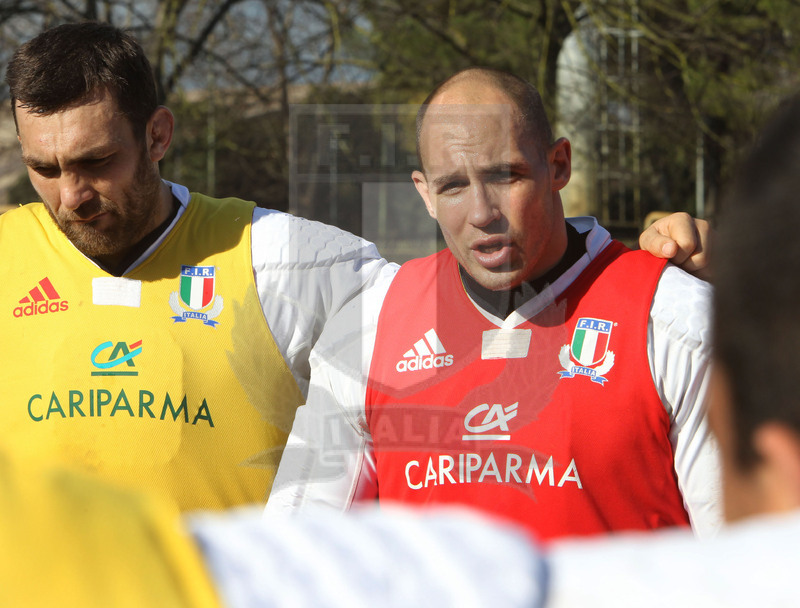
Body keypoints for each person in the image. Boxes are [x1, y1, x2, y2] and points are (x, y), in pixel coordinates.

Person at [0, 23, 706, 514]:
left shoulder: (288, 259)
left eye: (96, 161)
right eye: (44, 169)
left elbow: (497, 295)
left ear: (157, 135)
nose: (71, 195)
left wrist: (687, 267)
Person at [267, 67, 721, 541]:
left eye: (505, 176)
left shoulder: (675, 317)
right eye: (453, 187)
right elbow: (296, 551)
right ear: (425, 194)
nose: (482, 213)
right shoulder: (371, 325)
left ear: (559, 165)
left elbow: (751, 557)